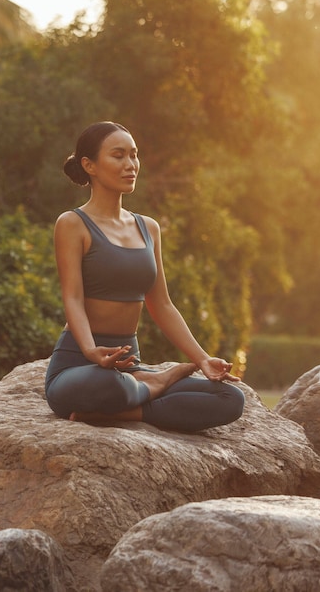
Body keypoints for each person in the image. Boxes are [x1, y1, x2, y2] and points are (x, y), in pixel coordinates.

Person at [44, 121, 245, 431]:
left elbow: (162, 304)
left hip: (130, 368)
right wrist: (90, 351)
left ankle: (124, 411)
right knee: (107, 384)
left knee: (230, 399)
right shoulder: (72, 224)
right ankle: (157, 383)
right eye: (118, 156)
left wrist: (203, 359)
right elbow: (72, 297)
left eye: (134, 155)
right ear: (89, 165)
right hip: (80, 368)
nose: (130, 165)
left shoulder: (148, 227)